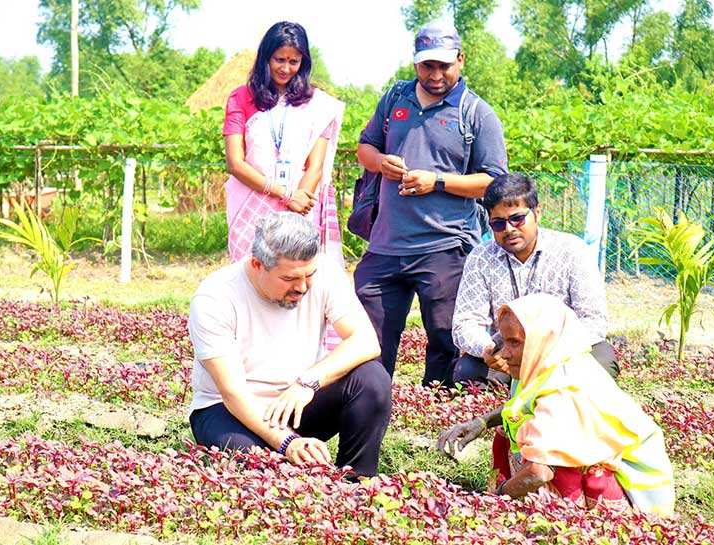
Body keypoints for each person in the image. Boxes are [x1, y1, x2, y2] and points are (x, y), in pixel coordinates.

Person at [354, 22, 508, 387]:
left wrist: (436, 181)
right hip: (386, 244)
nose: (435, 74)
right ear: (415, 64)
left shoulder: (477, 114)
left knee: (445, 338)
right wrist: (379, 163)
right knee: (367, 336)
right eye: (427, 66)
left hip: (446, 247)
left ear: (460, 60)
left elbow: (493, 183)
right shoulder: (395, 99)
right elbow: (366, 147)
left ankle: (436, 413)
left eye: (444, 65)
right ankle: (370, 404)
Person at [188, 211, 392, 478]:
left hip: (295, 402)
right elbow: (233, 394)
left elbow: (365, 341)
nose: (303, 287)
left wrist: (308, 382)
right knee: (270, 476)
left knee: (372, 378)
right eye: (289, 279)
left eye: (309, 275)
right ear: (257, 264)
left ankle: (356, 481)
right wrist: (288, 443)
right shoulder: (214, 298)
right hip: (229, 411)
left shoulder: (324, 273)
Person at [438, 294, 675, 516]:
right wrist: (482, 422)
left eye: (515, 342)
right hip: (610, 462)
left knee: (556, 463)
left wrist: (495, 501)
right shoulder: (549, 362)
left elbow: (540, 473)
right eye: (503, 340)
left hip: (636, 490)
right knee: (509, 431)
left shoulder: (563, 389)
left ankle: (575, 519)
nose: (505, 353)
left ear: (543, 339)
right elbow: (525, 406)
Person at [452, 173, 620, 386]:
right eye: (498, 223)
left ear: (537, 213)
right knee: (468, 371)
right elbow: (465, 323)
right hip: (508, 352)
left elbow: (593, 320)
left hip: (562, 350)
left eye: (517, 218)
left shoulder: (572, 250)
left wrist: (552, 352)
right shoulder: (481, 257)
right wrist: (489, 349)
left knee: (602, 362)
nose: (509, 229)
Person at [223, 21, 345, 265]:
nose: (286, 68)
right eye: (279, 59)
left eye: (294, 61)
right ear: (266, 58)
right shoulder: (241, 98)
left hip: (301, 208)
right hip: (251, 205)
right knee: (252, 275)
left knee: (294, 278)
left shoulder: (319, 105)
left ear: (303, 63)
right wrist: (284, 194)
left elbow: (315, 166)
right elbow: (235, 163)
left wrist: (296, 203)